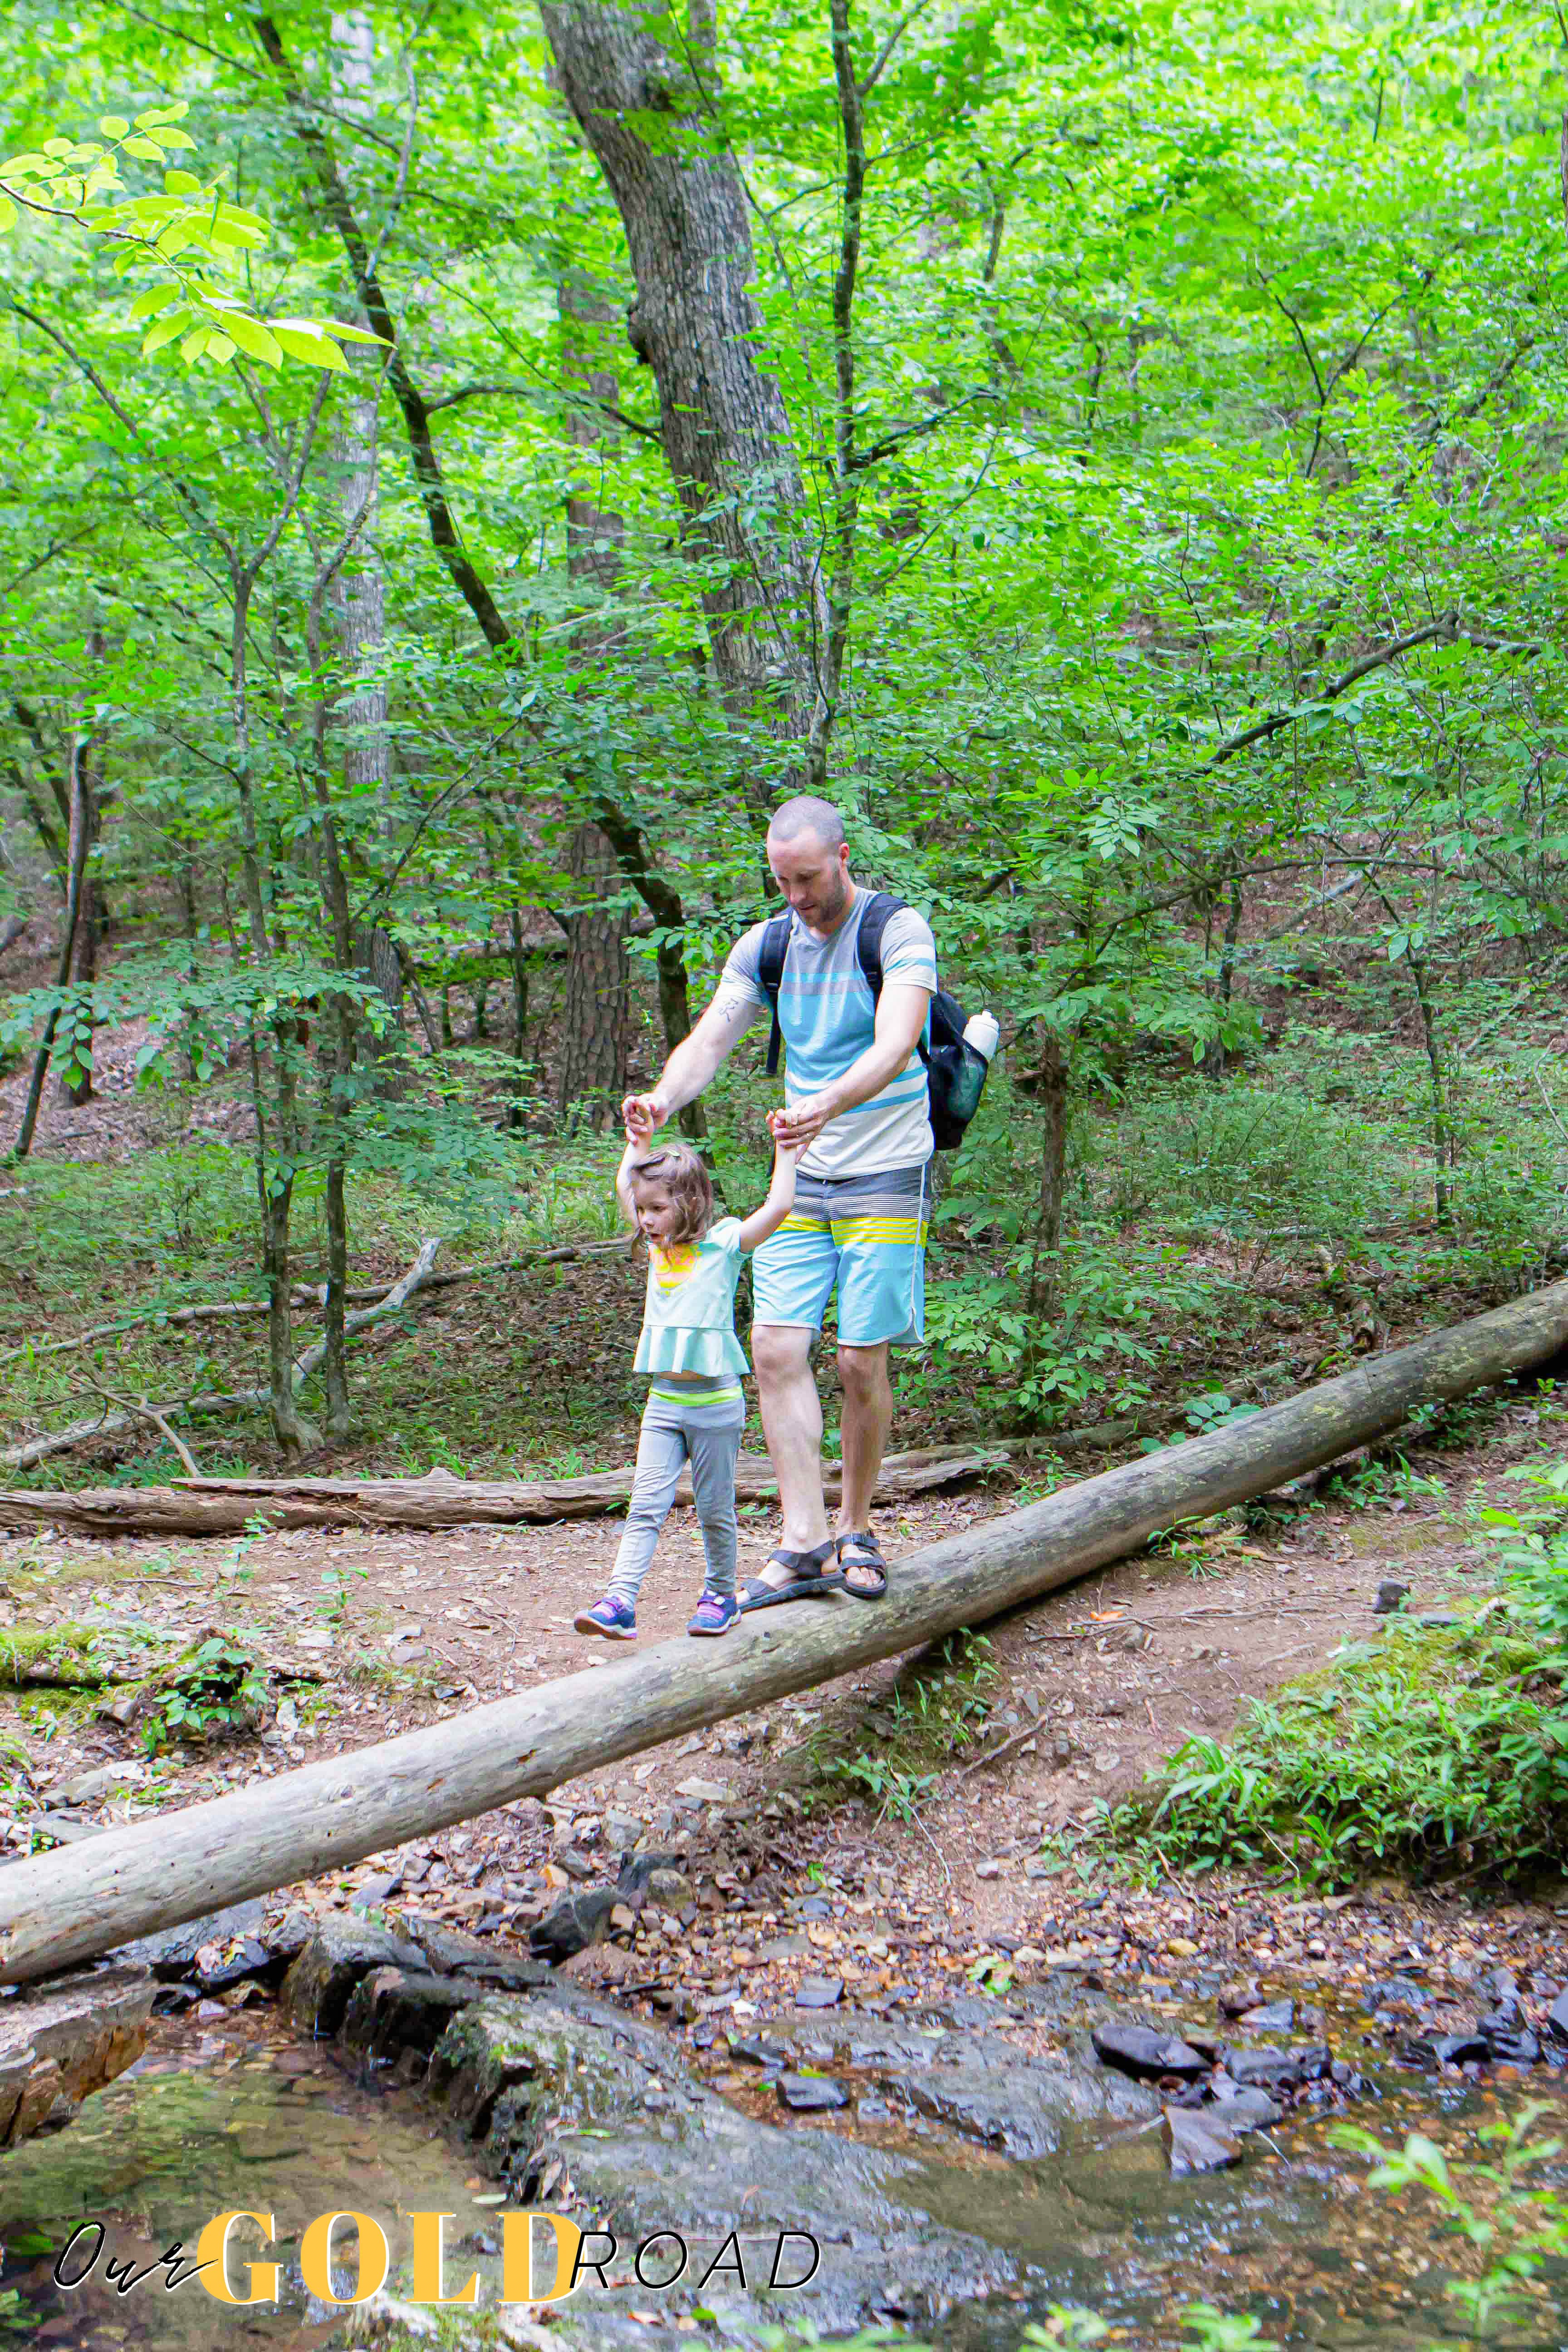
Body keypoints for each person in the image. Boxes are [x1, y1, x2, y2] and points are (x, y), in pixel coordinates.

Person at [622, 795, 936, 1609]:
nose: (794, 896)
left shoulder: (896, 930)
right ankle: (803, 1541)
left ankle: (856, 1527)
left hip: (887, 1167)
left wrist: (826, 1103)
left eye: (806, 878)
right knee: (772, 1348)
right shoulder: (766, 945)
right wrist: (661, 1097)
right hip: (804, 1171)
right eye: (781, 879)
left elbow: (896, 1040)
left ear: (840, 858)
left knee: (861, 1358)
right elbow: (711, 1038)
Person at [574, 1133, 799, 1642]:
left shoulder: (723, 1244)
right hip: (663, 1404)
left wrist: (787, 1153)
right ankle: (621, 1599)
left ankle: (721, 1596)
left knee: (714, 1510)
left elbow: (779, 1206)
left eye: (657, 1208)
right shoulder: (658, 1248)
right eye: (642, 1210)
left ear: (690, 1203)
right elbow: (623, 1184)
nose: (646, 1219)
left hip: (716, 1406)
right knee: (645, 1506)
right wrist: (640, 1142)